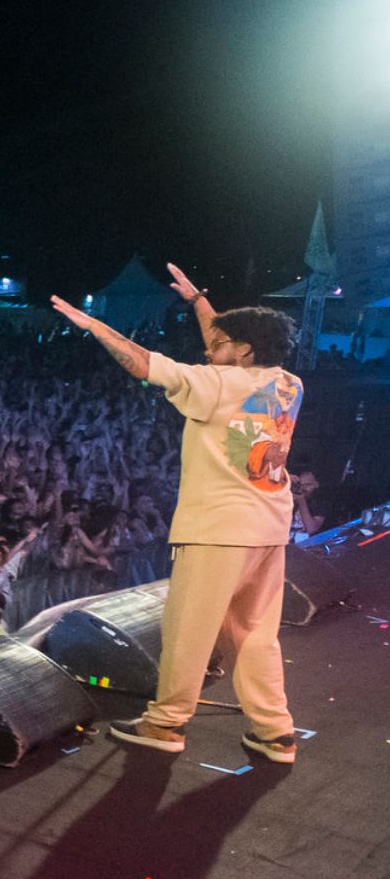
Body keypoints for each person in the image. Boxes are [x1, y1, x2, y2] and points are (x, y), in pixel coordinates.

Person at [51, 265, 301, 764]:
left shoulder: (215, 383)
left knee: (189, 629)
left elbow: (144, 364)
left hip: (218, 530)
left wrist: (94, 325)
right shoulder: (288, 382)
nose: (209, 347)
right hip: (268, 527)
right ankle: (275, 732)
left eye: (221, 341)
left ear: (243, 351)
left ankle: (165, 724)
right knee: (254, 633)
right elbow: (231, 343)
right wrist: (199, 301)